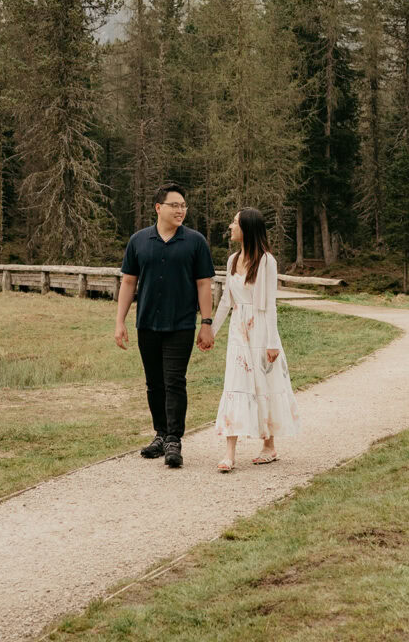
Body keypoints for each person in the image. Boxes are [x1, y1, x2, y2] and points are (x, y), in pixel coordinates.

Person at [114, 184, 215, 468]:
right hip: (146, 323)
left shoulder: (195, 242)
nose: (181, 210)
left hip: (181, 324)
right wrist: (119, 322)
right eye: (174, 205)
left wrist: (206, 323)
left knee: (174, 381)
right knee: (154, 383)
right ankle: (160, 434)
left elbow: (204, 284)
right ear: (159, 208)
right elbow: (129, 282)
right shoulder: (139, 241)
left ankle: (174, 439)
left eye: (183, 205)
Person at [211, 208, 300, 472]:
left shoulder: (266, 262)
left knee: (264, 384)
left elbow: (270, 305)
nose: (230, 226)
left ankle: (269, 446)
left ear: (247, 228)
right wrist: (211, 332)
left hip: (260, 330)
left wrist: (272, 342)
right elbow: (226, 300)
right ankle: (229, 453)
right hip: (239, 331)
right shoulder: (231, 260)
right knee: (236, 384)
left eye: (235, 222)